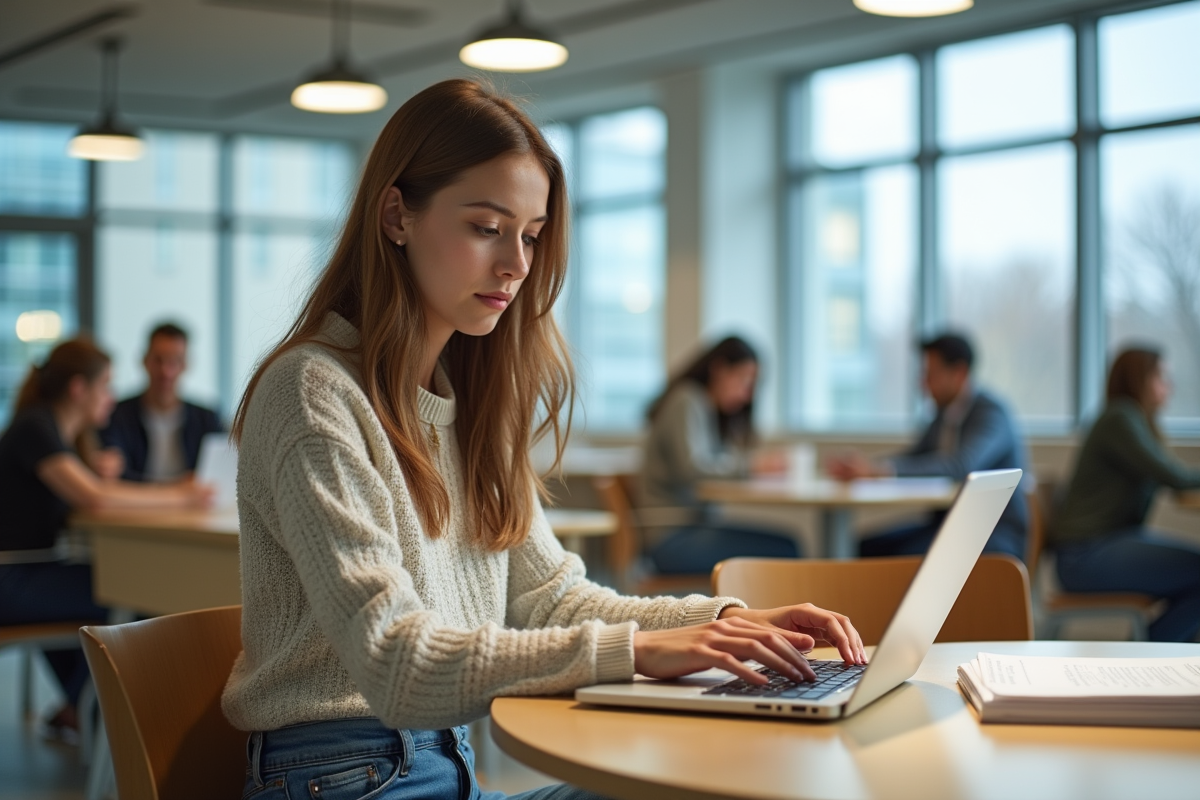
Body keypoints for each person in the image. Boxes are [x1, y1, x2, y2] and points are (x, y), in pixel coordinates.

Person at [221, 79, 864, 800]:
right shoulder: (313, 391)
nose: (517, 267)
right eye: (487, 228)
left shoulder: (467, 406)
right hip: (342, 778)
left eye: (529, 235)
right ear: (397, 215)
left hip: (442, 765)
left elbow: (553, 600)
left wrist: (725, 625)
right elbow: (396, 664)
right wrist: (638, 651)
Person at [0, 338, 212, 738]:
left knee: (111, 587)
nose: (112, 398)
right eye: (106, 386)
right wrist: (182, 494)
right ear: (79, 388)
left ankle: (83, 710)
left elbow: (92, 492)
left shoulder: (56, 433)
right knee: (135, 593)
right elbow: (95, 499)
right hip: (11, 579)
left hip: (27, 571)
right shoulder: (37, 427)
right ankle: (110, 721)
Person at [827, 333, 1029, 560]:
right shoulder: (944, 414)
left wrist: (880, 471)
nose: (923, 383)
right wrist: (870, 467)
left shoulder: (991, 414)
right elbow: (916, 456)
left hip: (990, 533)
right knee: (863, 548)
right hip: (947, 527)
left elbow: (960, 466)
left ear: (959, 373)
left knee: (901, 559)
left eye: (931, 374)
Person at [1049, 347, 1200, 642]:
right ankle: (1152, 655)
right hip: (1084, 557)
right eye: (1160, 376)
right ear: (1139, 379)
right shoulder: (1120, 418)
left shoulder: (1129, 419)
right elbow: (1175, 477)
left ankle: (1151, 649)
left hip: (1103, 546)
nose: (1168, 386)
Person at [640, 336, 800, 574]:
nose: (747, 394)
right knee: (789, 549)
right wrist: (751, 466)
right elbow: (692, 469)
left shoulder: (705, 410)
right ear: (719, 370)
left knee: (790, 545)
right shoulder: (686, 401)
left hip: (689, 531)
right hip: (672, 539)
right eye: (743, 380)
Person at [99, 322, 223, 482]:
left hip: (194, 507)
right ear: (144, 361)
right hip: (132, 506)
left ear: (185, 365)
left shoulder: (207, 418)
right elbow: (114, 475)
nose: (166, 371)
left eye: (175, 361)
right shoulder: (115, 415)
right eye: (158, 360)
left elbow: (218, 476)